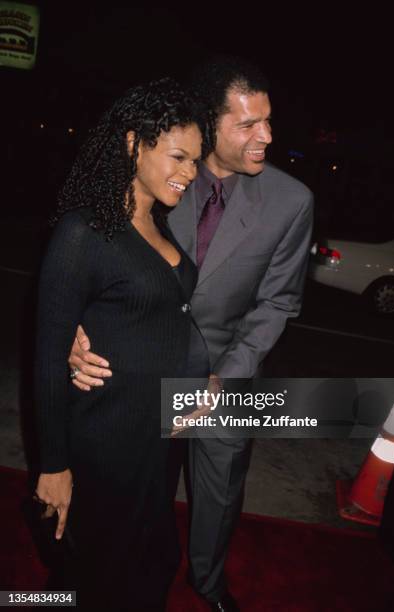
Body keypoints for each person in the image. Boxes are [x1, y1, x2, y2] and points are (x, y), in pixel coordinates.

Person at [69, 56, 314, 612]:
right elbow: (93, 261)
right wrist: (76, 331)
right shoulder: (160, 172)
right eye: (248, 124)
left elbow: (278, 302)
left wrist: (224, 377)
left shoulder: (292, 201)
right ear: (210, 121)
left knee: (220, 492)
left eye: (268, 121)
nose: (266, 136)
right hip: (142, 371)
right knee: (131, 499)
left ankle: (208, 583)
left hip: (229, 371)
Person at [34, 78, 213, 612]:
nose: (189, 173)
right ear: (134, 144)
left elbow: (163, 321)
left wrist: (194, 384)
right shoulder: (83, 232)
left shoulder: (157, 221)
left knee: (153, 564)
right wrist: (53, 466)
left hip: (158, 440)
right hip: (106, 441)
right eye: (178, 157)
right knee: (98, 578)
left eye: (195, 160)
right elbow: (46, 356)